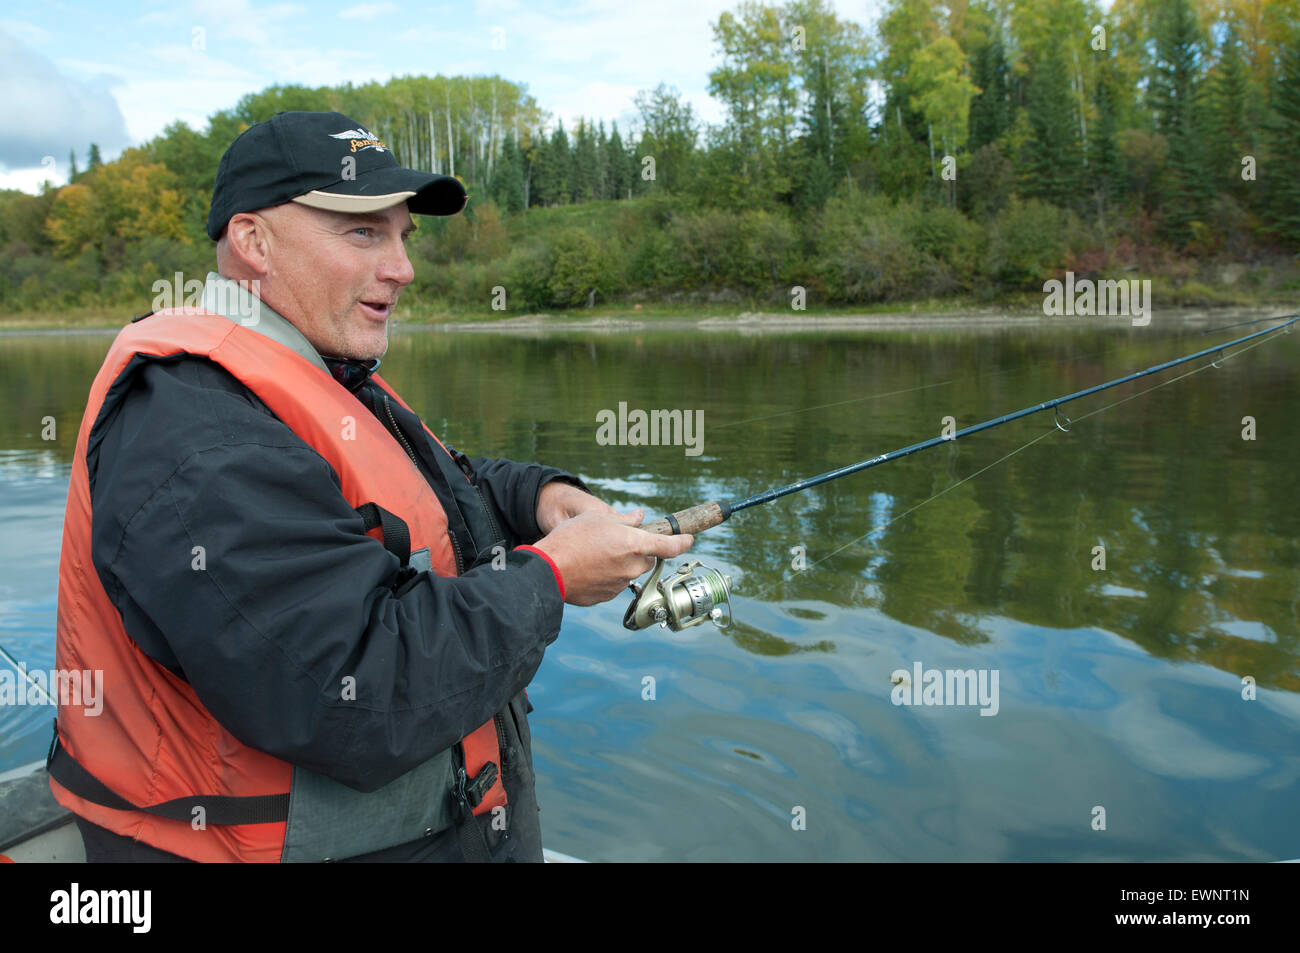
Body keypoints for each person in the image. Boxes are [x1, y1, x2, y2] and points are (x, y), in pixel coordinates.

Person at [47, 110, 693, 863]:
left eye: (402, 237)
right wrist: (549, 580)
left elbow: (440, 488)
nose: (402, 268)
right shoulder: (195, 431)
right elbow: (347, 688)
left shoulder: (321, 371)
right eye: (363, 234)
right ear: (254, 242)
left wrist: (541, 499)